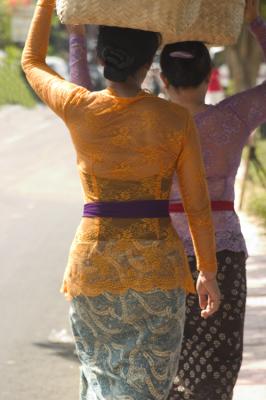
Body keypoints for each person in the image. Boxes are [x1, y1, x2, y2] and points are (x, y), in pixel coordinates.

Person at [22, 1, 220, 399]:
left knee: (101, 380)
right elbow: (198, 204)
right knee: (146, 389)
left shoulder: (79, 106)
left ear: (101, 57)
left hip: (94, 268)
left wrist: (46, 3)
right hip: (158, 271)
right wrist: (208, 271)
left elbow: (32, 62)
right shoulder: (175, 120)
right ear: (149, 63)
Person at [159, 0, 266, 399]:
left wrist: (79, 36)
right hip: (222, 253)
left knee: (166, 362)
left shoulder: (148, 121)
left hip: (161, 253)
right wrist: (255, 22)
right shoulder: (233, 118)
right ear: (210, 76)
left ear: (164, 81)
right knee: (217, 366)